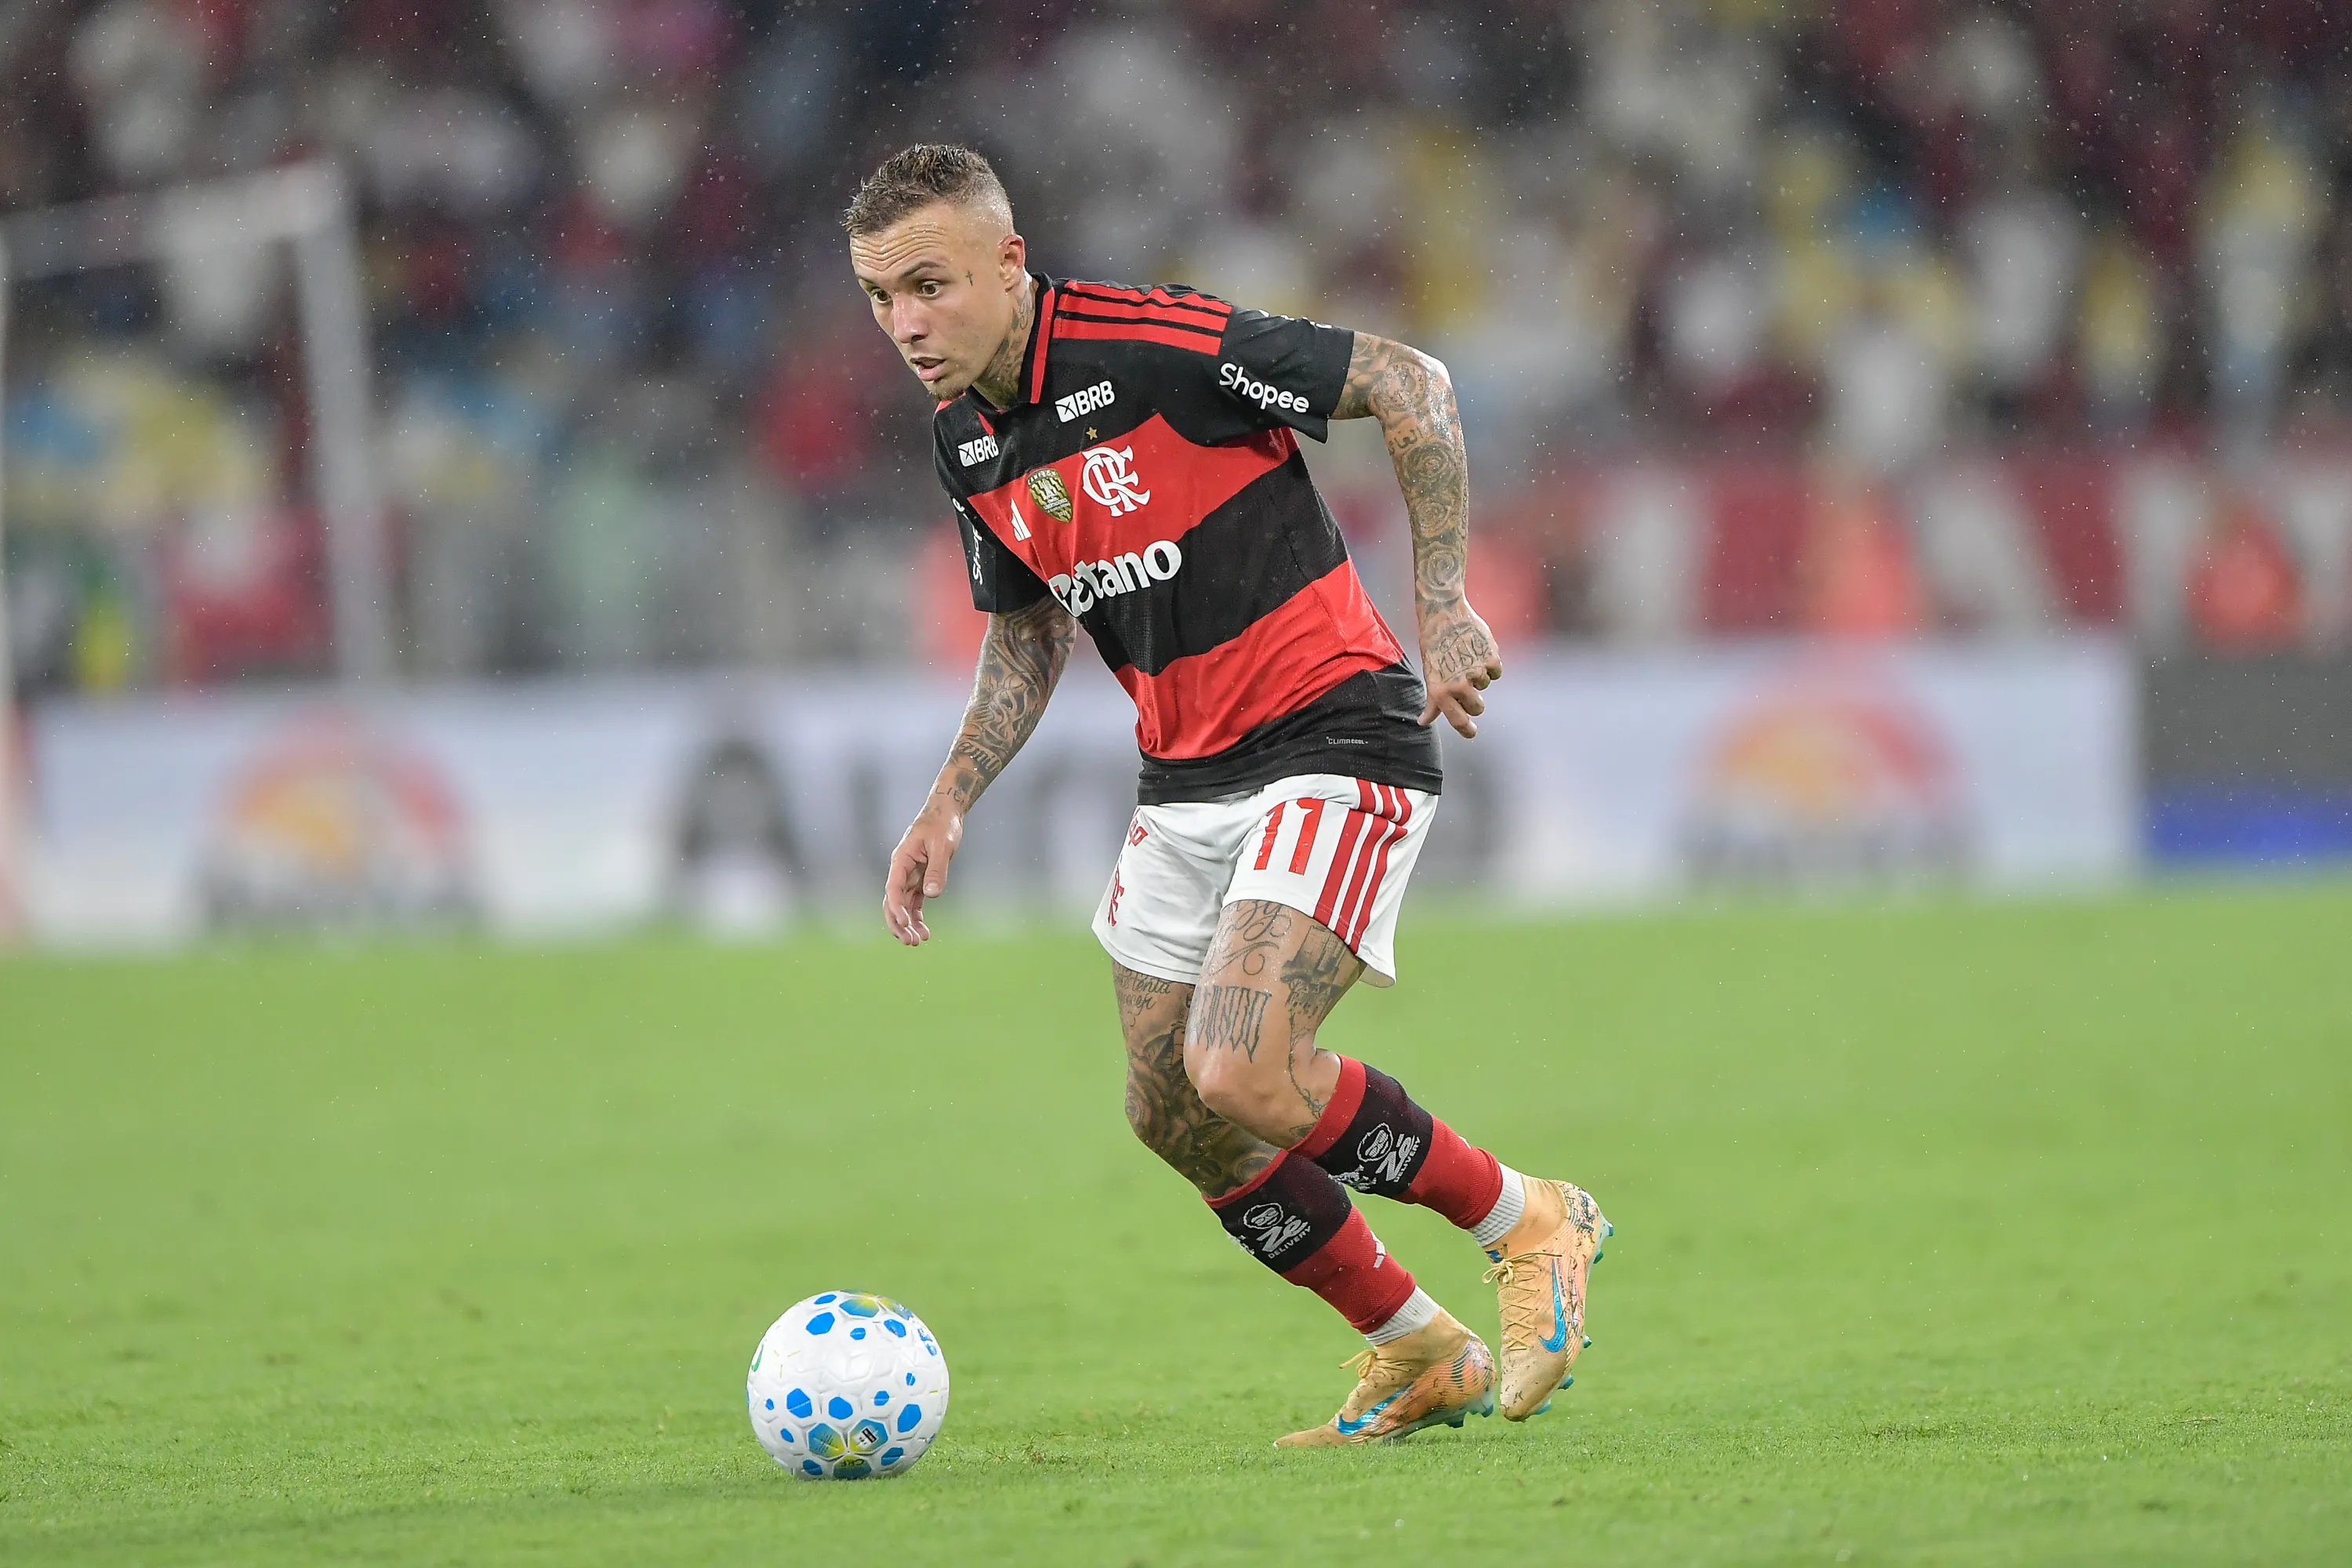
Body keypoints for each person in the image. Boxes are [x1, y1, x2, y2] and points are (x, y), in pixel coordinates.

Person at [847, 144, 1608, 1447]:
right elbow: (1028, 633)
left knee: (1245, 1068)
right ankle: (1418, 1347)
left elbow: (1407, 383)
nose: (906, 323)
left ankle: (1531, 1220)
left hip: (1333, 734)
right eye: (879, 297)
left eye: (931, 284)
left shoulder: (1147, 346)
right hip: (1186, 780)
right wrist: (949, 798)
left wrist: (1440, 601)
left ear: (1009, 263)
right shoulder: (964, 440)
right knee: (1172, 1111)